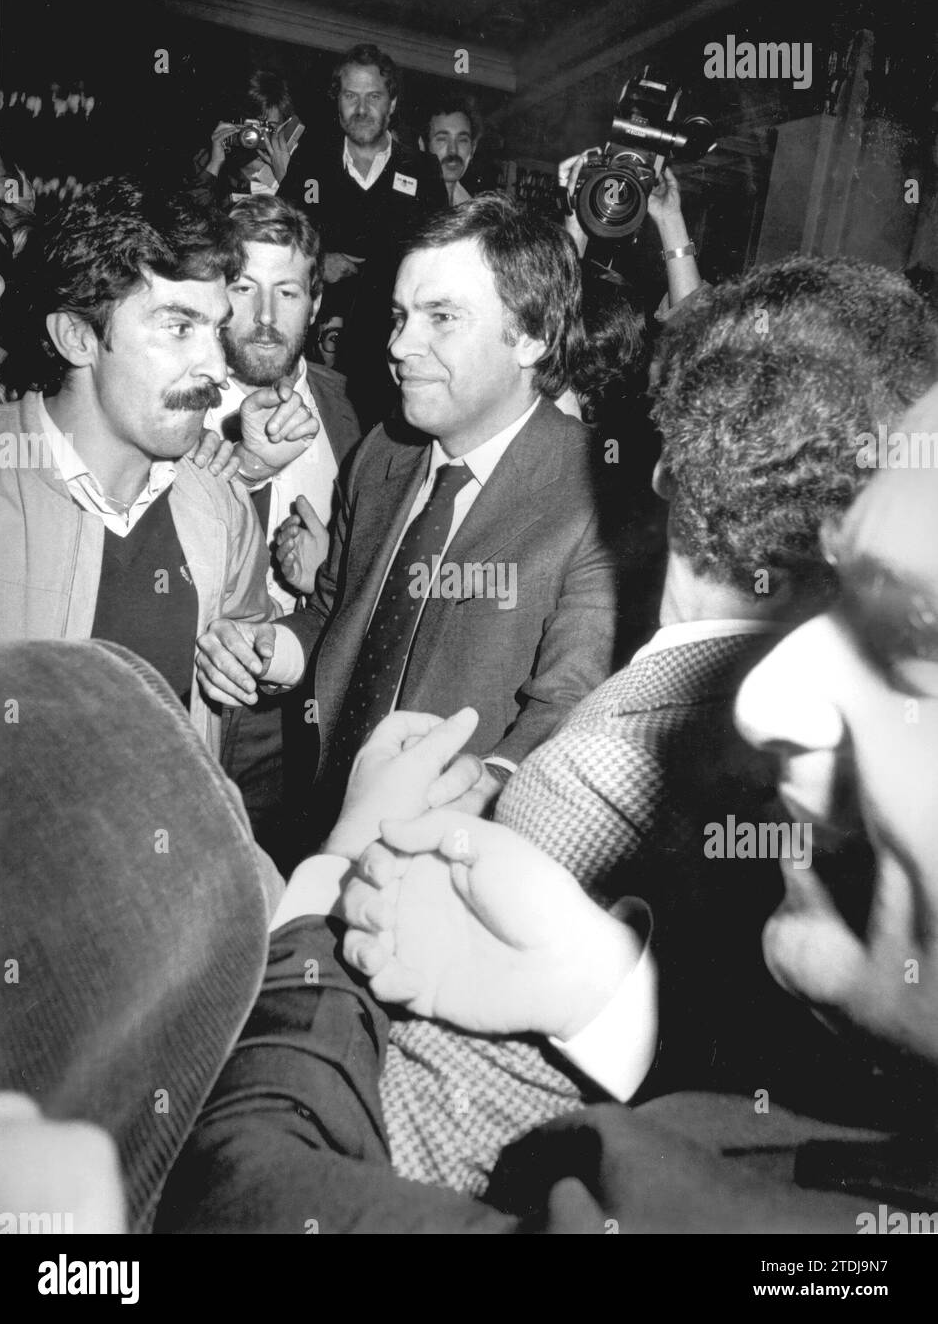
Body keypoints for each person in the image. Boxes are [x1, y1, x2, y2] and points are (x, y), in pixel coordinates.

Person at [370, 255, 938, 1193]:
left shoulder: (596, 774)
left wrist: (319, 898)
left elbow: (414, 1162)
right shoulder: (846, 757)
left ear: (669, 469)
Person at [196, 193, 619, 852]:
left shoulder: (600, 495)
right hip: (320, 825)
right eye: (399, 315)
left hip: (449, 863)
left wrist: (494, 782)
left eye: (441, 317)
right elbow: (338, 609)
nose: (399, 345)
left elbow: (575, 699)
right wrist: (266, 649)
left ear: (532, 334)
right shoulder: (382, 455)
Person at [0, 176, 317, 754]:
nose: (217, 367)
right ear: (76, 337)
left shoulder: (219, 502)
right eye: (178, 326)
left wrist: (244, 653)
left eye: (216, 329)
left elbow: (249, 639)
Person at [205, 193, 361, 860]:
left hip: (322, 707)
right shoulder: (175, 401)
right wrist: (247, 467)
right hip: (207, 701)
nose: (266, 318)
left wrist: (334, 573)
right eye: (245, 287)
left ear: (316, 303)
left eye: (288, 291)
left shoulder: (358, 407)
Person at [278, 44, 446, 427]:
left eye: (374, 97)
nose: (362, 108)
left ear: (393, 103)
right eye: (351, 96)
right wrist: (319, 262)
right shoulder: (310, 161)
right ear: (337, 101)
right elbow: (280, 237)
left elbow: (438, 259)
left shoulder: (422, 171)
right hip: (317, 349)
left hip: (390, 352)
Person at [191, 70, 304, 209]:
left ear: (284, 127)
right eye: (252, 127)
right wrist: (214, 164)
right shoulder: (207, 158)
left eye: (269, 128)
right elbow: (189, 218)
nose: (256, 137)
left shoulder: (298, 165)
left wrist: (286, 178)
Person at [420, 95, 491, 207]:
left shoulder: (472, 212)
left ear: (473, 149)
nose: (453, 150)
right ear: (422, 145)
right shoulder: (405, 203)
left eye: (462, 140)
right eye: (442, 139)